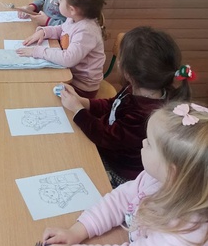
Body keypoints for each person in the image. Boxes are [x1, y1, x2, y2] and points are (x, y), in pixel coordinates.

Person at [32, 103, 208, 246]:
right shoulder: (157, 179)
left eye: (149, 143)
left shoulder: (182, 238)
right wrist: (78, 231)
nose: (142, 143)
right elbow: (120, 199)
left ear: (171, 171)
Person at [59, 26, 192, 187]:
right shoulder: (137, 88)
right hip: (109, 147)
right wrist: (83, 102)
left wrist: (78, 111)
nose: (118, 61)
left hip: (120, 170)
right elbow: (112, 105)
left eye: (120, 57)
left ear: (127, 72)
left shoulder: (145, 114)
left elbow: (106, 137)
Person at [17, 0, 105, 98]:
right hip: (69, 74)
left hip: (81, 87)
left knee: (37, 92)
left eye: (61, 0)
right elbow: (62, 29)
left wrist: (38, 51)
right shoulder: (73, 18)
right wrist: (44, 32)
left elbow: (68, 59)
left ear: (72, 9)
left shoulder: (86, 31)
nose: (58, 2)